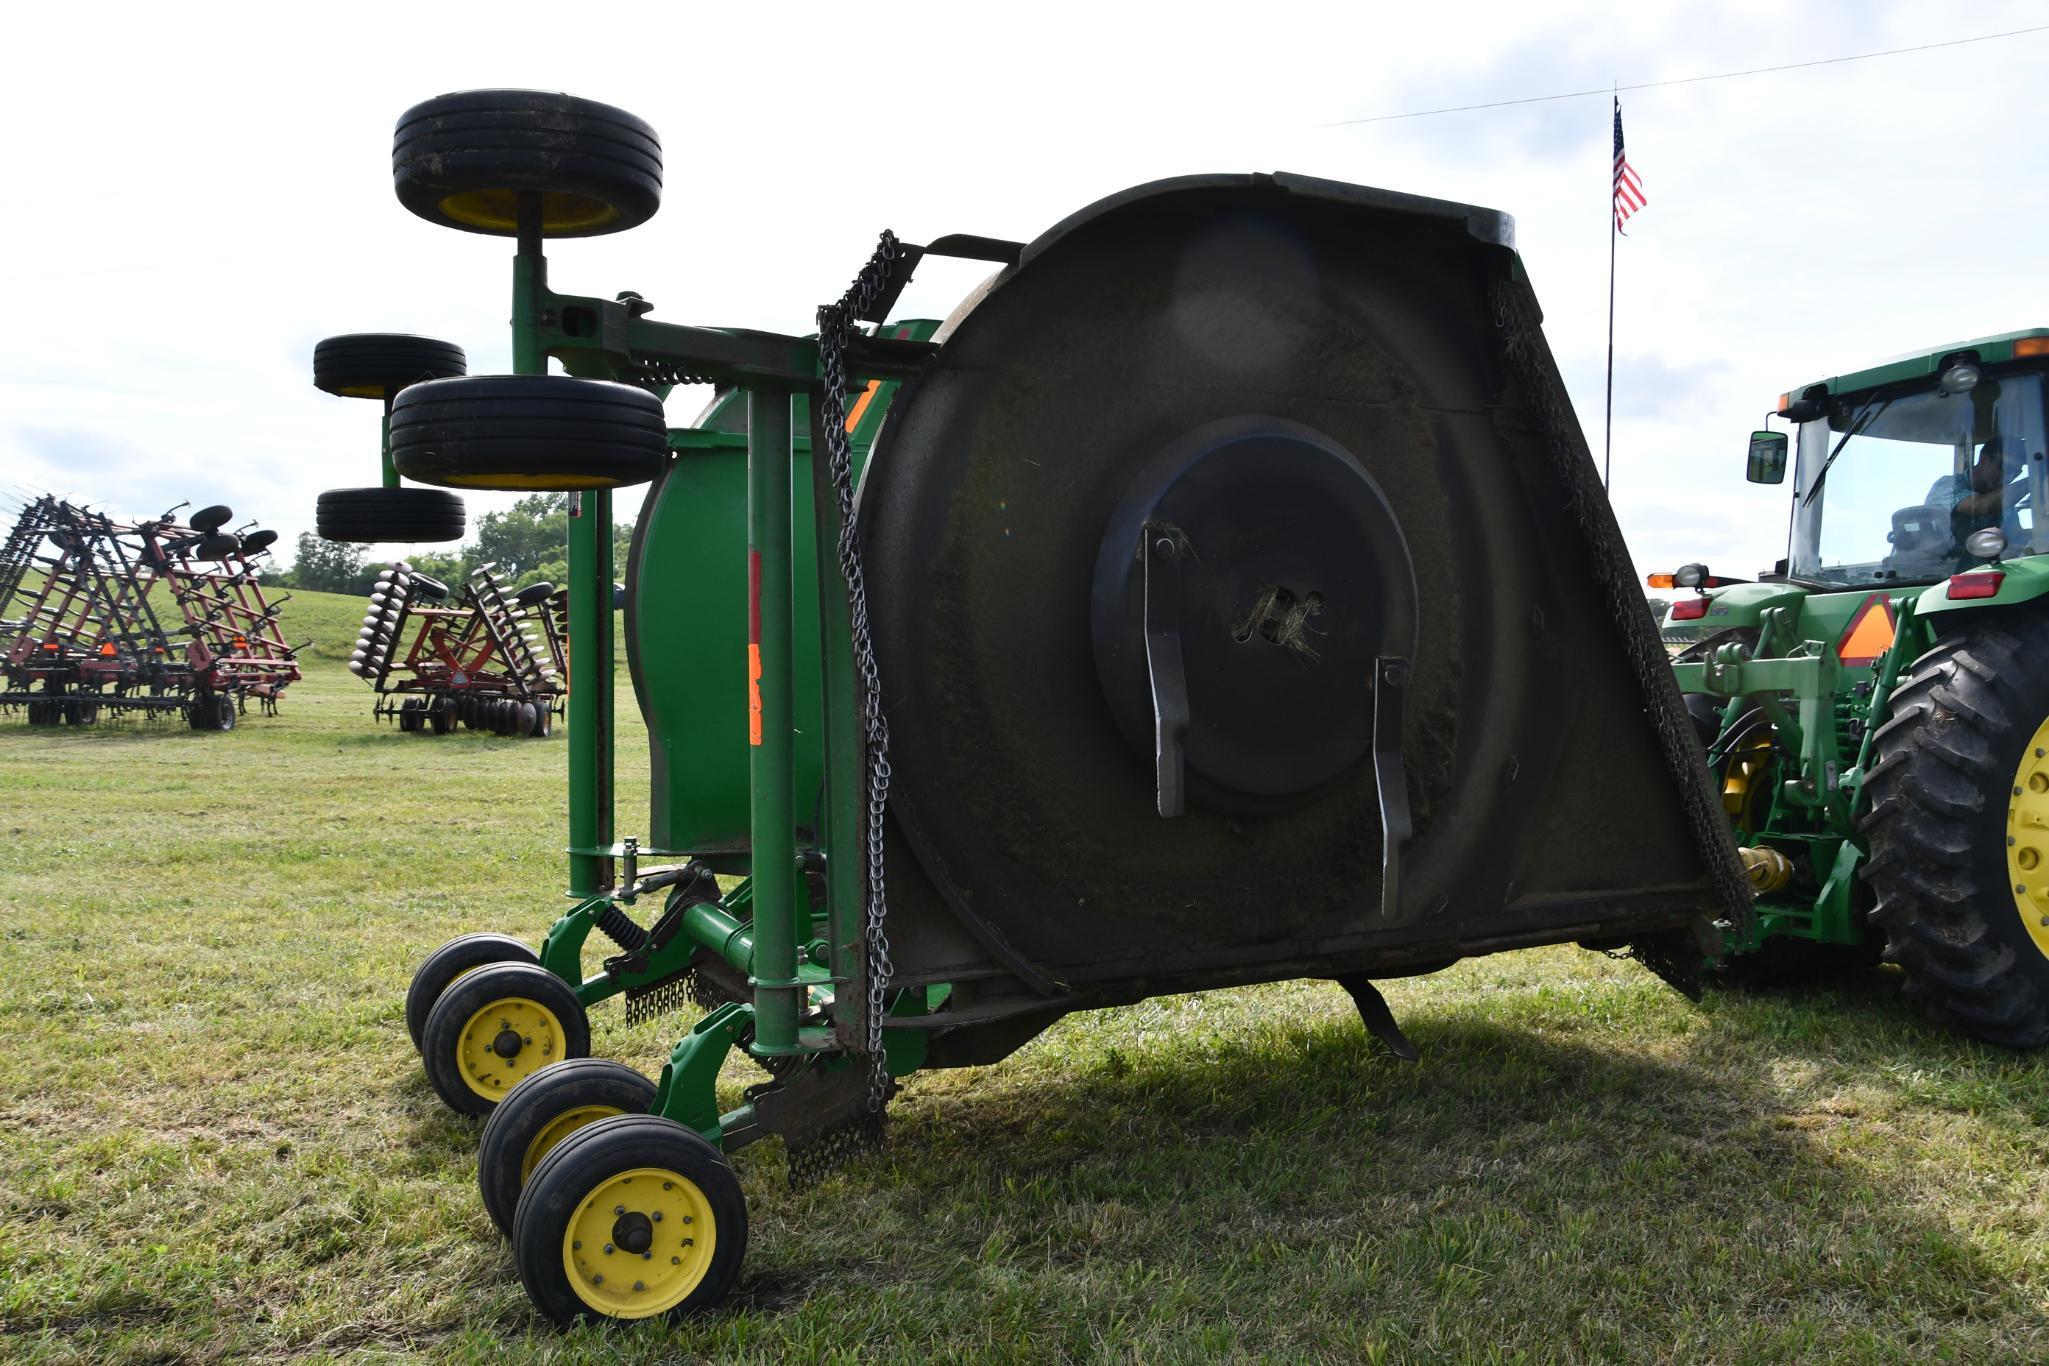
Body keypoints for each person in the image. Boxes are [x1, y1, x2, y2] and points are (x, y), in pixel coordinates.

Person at [1926, 435, 2028, 545]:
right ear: (1984, 461)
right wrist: (2033, 481)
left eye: (2016, 472)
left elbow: (2016, 541)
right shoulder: (1946, 486)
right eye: (2006, 468)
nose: (2010, 477)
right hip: (1948, 560)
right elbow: (1981, 506)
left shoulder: (2005, 505)